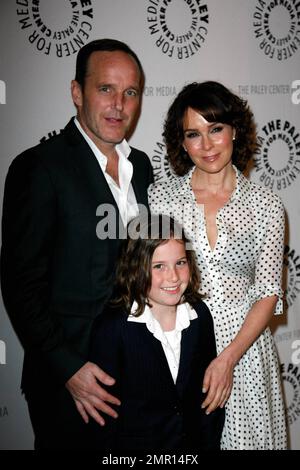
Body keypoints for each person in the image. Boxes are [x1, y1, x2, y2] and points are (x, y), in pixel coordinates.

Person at [0, 38, 153, 450]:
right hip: (71, 385)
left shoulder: (142, 167)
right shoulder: (39, 167)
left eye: (130, 92)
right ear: (76, 92)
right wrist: (69, 369)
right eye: (106, 88)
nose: (118, 104)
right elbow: (20, 283)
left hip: (135, 371)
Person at [148, 81, 287, 450]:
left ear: (235, 130)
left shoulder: (266, 205)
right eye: (194, 134)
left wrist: (227, 359)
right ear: (181, 141)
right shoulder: (160, 198)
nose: (206, 145)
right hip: (179, 348)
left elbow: (269, 292)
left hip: (244, 353)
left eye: (216, 129)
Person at [88, 213, 224, 450]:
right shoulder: (112, 328)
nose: (173, 276)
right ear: (134, 268)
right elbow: (102, 419)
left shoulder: (200, 316)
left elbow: (208, 398)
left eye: (180, 263)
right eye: (159, 266)